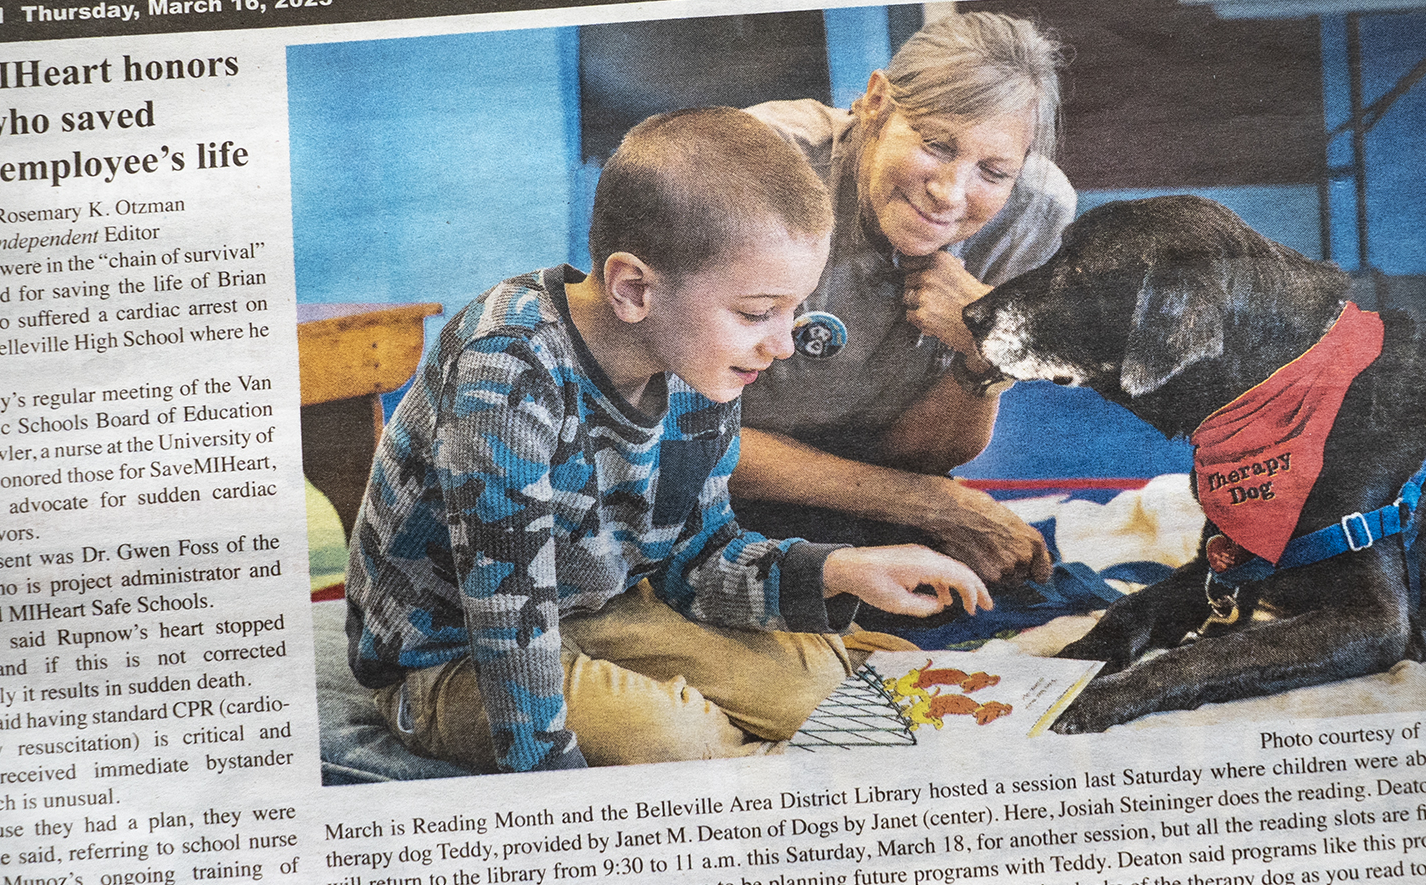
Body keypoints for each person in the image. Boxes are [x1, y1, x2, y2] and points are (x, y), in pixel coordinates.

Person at [345, 108, 992, 773]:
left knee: (822, 691)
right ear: (633, 289)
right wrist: (557, 784)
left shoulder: (698, 368)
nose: (782, 344)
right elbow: (508, 621)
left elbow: (699, 556)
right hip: (457, 652)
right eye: (757, 313)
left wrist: (840, 570)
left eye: (794, 310)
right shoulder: (507, 366)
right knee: (673, 739)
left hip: (602, 607)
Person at [734, 11, 1076, 590]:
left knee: (986, 593)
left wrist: (984, 345)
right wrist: (932, 505)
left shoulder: (1032, 212)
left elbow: (924, 456)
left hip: (862, 488)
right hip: (701, 482)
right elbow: (675, 434)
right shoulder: (759, 163)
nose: (950, 194)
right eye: (936, 145)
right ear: (876, 102)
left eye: (993, 172)